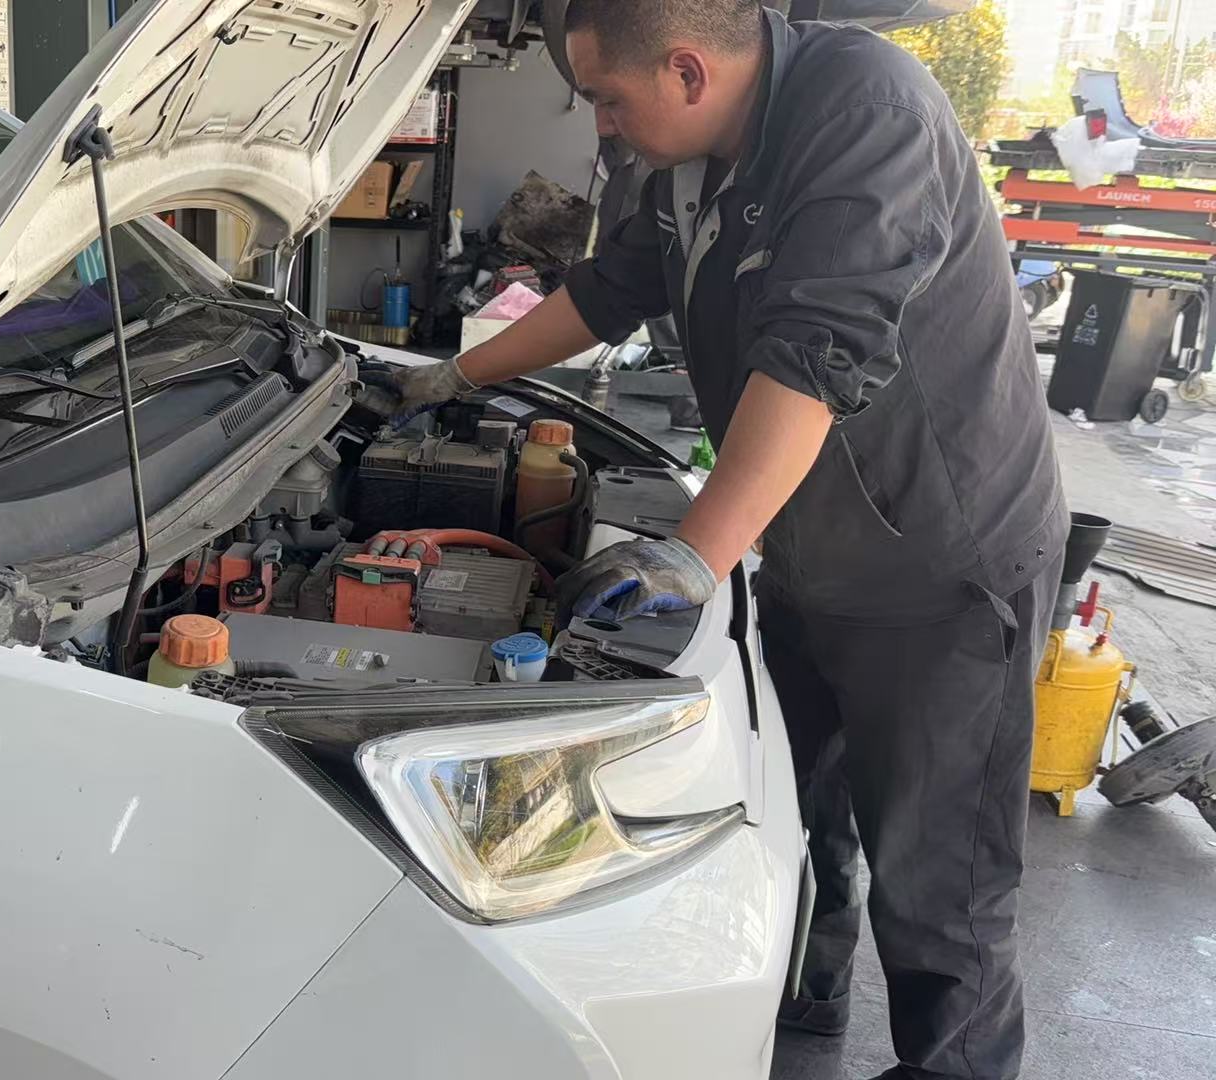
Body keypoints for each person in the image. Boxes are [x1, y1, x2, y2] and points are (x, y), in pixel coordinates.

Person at [361, 3, 1064, 1079]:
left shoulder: (868, 114)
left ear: (688, 71)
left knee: (940, 883)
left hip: (938, 565)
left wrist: (696, 552)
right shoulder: (686, 158)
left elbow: (819, 353)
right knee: (798, 814)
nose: (602, 123)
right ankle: (800, 1007)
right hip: (806, 544)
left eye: (608, 99)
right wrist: (453, 376)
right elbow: (607, 293)